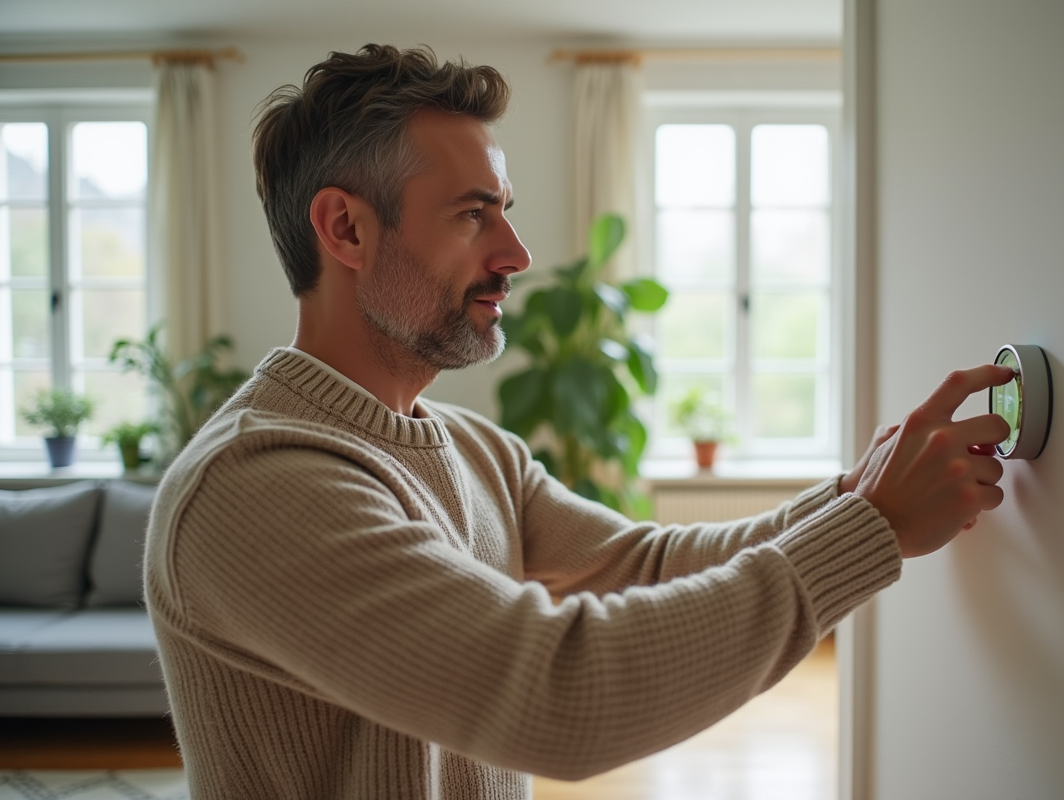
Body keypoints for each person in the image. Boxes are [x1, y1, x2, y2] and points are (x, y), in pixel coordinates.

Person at [144, 44, 1013, 799]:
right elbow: (559, 697)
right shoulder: (253, 485)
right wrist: (873, 527)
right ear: (345, 229)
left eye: (504, 209)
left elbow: (647, 565)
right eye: (473, 213)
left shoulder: (477, 449)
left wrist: (856, 496)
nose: (516, 253)